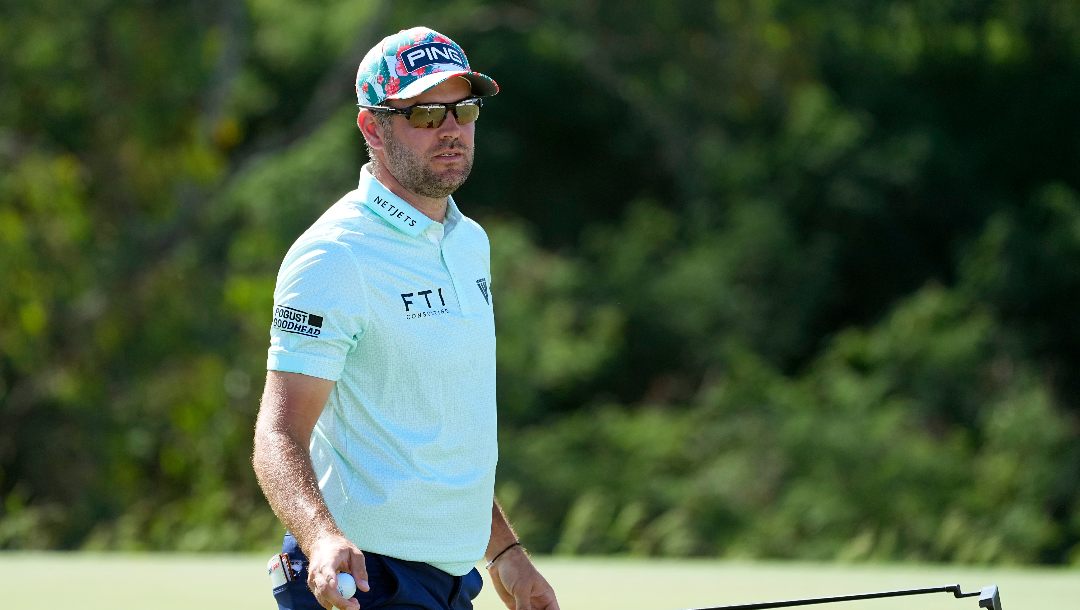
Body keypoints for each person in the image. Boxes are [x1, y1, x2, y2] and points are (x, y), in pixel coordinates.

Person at [252, 26, 560, 610]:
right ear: (373, 127)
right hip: (363, 580)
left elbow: (442, 430)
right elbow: (278, 433)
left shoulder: (469, 242)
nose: (451, 129)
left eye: (463, 110)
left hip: (451, 582)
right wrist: (320, 538)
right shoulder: (334, 254)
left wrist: (504, 552)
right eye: (424, 114)